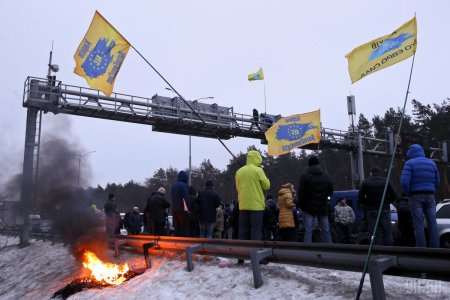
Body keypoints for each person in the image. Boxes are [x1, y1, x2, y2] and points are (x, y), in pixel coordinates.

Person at [400, 144, 440, 248]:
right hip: (430, 196)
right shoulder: (432, 163)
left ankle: (421, 248)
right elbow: (437, 180)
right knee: (432, 223)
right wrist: (432, 189)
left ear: (411, 152)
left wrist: (408, 193)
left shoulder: (409, 163)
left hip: (415, 196)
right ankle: (435, 247)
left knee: (418, 224)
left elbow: (404, 181)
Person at [235, 150, 270, 242]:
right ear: (258, 158)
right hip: (256, 206)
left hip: (243, 205)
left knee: (243, 231)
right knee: (255, 231)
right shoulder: (258, 170)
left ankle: (241, 254)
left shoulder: (239, 171)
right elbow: (267, 186)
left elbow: (238, 187)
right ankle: (254, 253)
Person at [297, 156, 333, 244]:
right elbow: (330, 191)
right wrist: (325, 199)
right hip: (322, 207)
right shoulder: (327, 177)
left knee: (308, 230)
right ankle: (330, 249)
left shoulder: (305, 177)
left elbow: (300, 193)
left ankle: (307, 251)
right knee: (326, 230)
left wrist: (301, 206)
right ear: (318, 164)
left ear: (309, 165)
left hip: (309, 208)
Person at [359, 166, 397, 246]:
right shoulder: (386, 181)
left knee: (373, 232)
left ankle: (375, 249)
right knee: (387, 232)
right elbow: (394, 195)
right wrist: (387, 202)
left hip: (371, 209)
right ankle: (389, 249)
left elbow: (360, 197)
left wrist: (367, 204)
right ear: (379, 172)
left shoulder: (365, 182)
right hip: (384, 209)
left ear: (371, 173)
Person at [171, 170, 191, 237]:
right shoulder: (184, 186)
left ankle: (177, 244)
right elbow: (187, 198)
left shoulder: (173, 186)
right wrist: (189, 209)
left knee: (177, 229)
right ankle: (185, 244)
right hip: (183, 210)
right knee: (184, 229)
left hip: (175, 210)